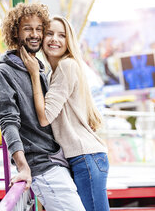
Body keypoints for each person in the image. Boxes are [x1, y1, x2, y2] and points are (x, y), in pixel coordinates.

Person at [0, 3, 86, 211]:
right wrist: (23, 167)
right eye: (27, 28)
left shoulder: (38, 68)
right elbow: (8, 122)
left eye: (39, 29)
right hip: (42, 166)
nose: (34, 34)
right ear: (15, 32)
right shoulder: (3, 71)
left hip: (57, 160)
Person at [20, 15, 110, 211]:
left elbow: (44, 117)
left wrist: (35, 74)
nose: (55, 39)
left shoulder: (66, 66)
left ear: (68, 41)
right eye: (50, 33)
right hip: (82, 158)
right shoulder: (53, 73)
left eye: (62, 35)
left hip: (86, 158)